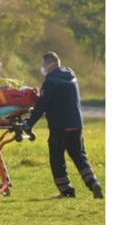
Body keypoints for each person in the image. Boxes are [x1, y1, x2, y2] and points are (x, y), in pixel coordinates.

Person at [23, 52, 103, 199]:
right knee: (80, 156)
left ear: (49, 63)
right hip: (76, 124)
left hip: (59, 127)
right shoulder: (72, 77)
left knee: (57, 159)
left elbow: (41, 106)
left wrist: (28, 124)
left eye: (43, 65)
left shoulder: (51, 82)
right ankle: (93, 183)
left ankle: (66, 191)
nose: (42, 68)